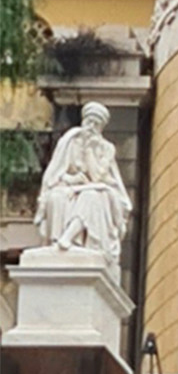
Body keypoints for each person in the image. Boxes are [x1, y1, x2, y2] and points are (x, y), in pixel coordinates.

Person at [36, 103, 131, 269]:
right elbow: (55, 173)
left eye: (96, 124)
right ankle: (57, 243)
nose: (91, 127)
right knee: (56, 196)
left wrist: (89, 150)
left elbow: (97, 177)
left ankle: (68, 237)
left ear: (101, 128)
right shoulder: (70, 142)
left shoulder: (106, 148)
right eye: (89, 122)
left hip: (99, 190)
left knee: (91, 196)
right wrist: (71, 180)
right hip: (69, 187)